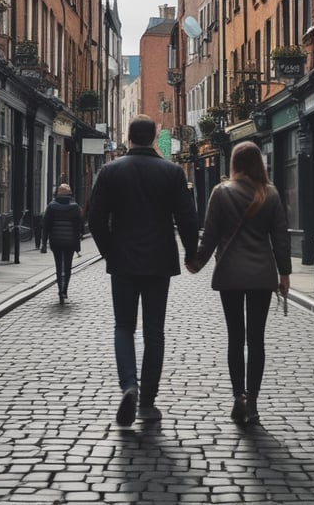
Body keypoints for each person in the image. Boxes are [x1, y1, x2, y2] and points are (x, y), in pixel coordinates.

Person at [87, 114, 199, 426]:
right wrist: (192, 253)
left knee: (123, 326)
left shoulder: (110, 171)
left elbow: (94, 218)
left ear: (129, 136)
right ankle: (147, 399)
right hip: (159, 261)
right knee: (154, 330)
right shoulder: (172, 172)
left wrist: (109, 250)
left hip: (122, 260)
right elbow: (187, 218)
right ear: (153, 138)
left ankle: (129, 386)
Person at [187, 141, 291, 426]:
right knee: (256, 340)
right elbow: (281, 239)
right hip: (261, 276)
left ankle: (238, 397)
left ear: (234, 163)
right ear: (259, 163)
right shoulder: (269, 194)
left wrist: (196, 262)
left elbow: (209, 236)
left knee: (236, 337)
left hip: (231, 274)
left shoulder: (221, 193)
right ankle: (254, 402)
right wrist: (285, 273)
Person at [41, 184, 84, 304]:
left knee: (59, 266)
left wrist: (44, 243)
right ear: (70, 195)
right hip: (70, 242)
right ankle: (65, 290)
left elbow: (45, 226)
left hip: (56, 241)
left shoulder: (51, 206)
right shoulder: (75, 207)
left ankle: (60, 289)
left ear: (57, 194)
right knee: (67, 266)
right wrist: (78, 241)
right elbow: (80, 225)